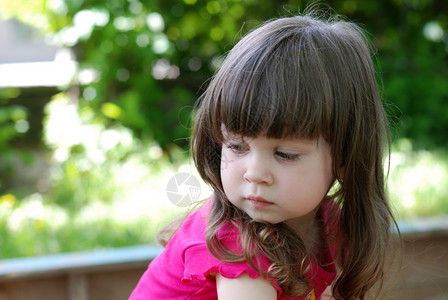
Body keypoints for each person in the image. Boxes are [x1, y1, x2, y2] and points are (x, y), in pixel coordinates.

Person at [130, 11, 398, 300]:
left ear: (345, 157)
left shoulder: (327, 223)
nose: (254, 173)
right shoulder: (236, 245)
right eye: (237, 146)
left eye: (284, 154)